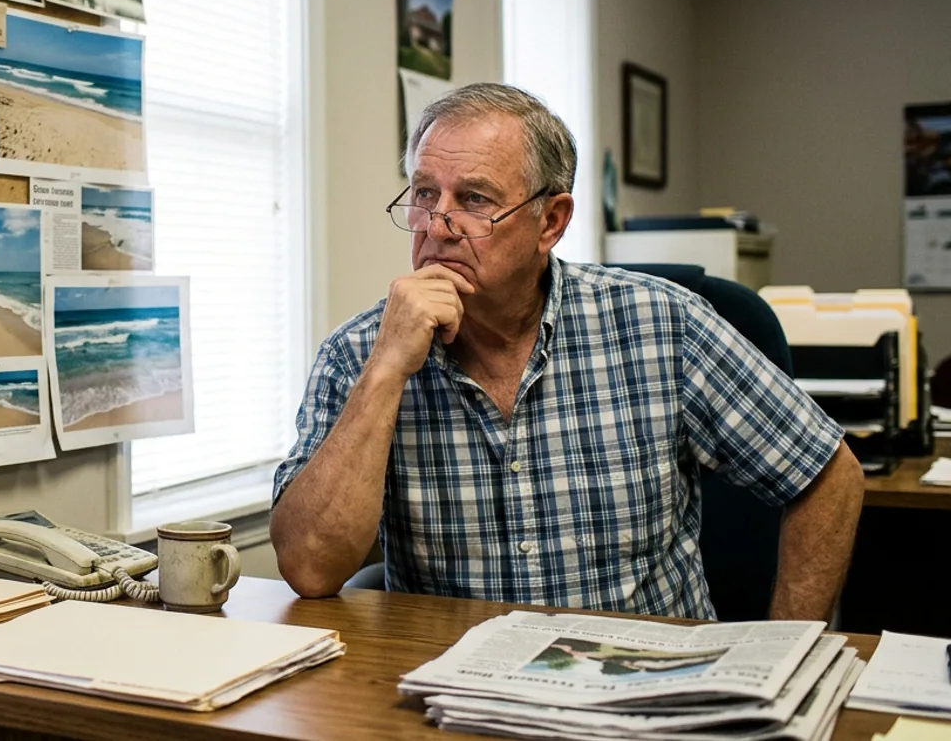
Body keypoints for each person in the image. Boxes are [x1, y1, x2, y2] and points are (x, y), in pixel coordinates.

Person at [269, 82, 865, 621]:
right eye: (425, 194)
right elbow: (310, 568)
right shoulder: (357, 353)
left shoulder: (660, 322)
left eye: (474, 199)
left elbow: (828, 475)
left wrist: (788, 653)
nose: (438, 224)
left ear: (550, 222)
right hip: (461, 696)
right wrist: (386, 371)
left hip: (649, 691)